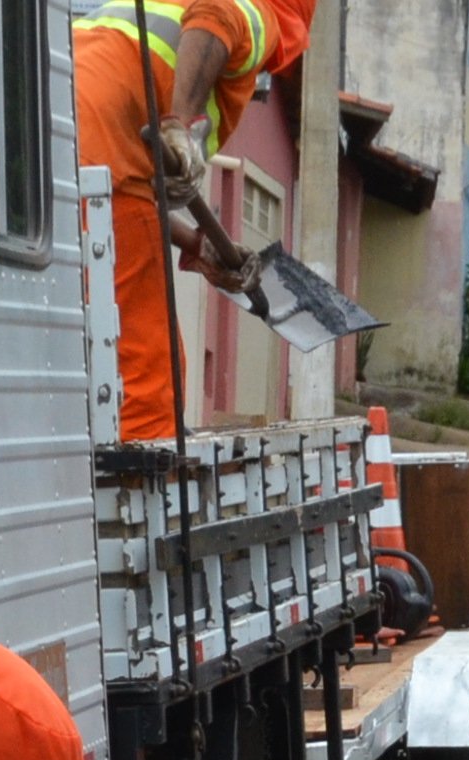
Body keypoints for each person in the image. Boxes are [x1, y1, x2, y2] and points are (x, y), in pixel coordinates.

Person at [73, 0, 310, 441]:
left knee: (74, 347)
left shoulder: (137, 11)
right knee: (148, 370)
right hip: (106, 161)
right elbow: (216, 15)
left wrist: (194, 245)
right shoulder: (261, 13)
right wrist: (181, 125)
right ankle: (135, 493)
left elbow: (136, 203)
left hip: (47, 145)